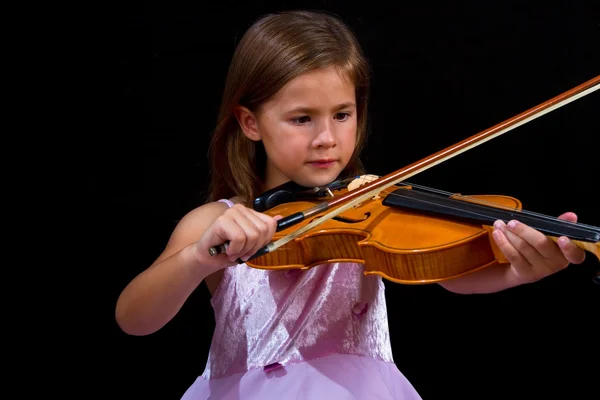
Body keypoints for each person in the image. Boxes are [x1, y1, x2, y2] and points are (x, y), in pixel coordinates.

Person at [115, 10, 587, 399]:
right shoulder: (218, 221)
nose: (327, 138)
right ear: (250, 122)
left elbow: (454, 275)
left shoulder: (373, 206)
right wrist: (200, 256)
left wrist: (517, 270)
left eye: (342, 114)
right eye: (302, 118)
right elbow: (135, 318)